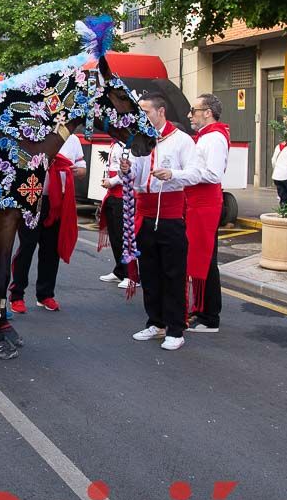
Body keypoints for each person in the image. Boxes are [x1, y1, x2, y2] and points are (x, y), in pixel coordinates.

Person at [122, 93, 200, 351]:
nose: (141, 116)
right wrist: (125, 171)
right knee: (150, 272)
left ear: (161, 111)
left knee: (173, 273)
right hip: (144, 212)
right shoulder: (139, 140)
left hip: (169, 213)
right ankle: (156, 322)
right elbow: (135, 176)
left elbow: (195, 173)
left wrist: (172, 174)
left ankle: (176, 328)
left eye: (145, 111)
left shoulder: (182, 141)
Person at [8, 132, 86, 313]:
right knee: (27, 247)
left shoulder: (72, 140)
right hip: (34, 199)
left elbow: (82, 167)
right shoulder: (36, 134)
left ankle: (45, 295)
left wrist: (76, 170)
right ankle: (17, 294)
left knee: (51, 250)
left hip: (58, 202)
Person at [184, 94, 229, 333]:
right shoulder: (206, 138)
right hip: (197, 202)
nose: (190, 114)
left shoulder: (214, 139)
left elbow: (212, 174)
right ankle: (200, 309)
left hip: (206, 203)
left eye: (195, 109)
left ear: (208, 112)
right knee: (198, 257)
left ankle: (210, 316)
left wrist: (182, 175)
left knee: (206, 259)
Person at [96, 140, 131, 289]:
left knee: (125, 236)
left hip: (125, 194)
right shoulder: (115, 143)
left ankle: (131, 275)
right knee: (115, 235)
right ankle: (120, 270)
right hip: (112, 193)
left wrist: (112, 181)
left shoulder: (130, 144)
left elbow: (130, 168)